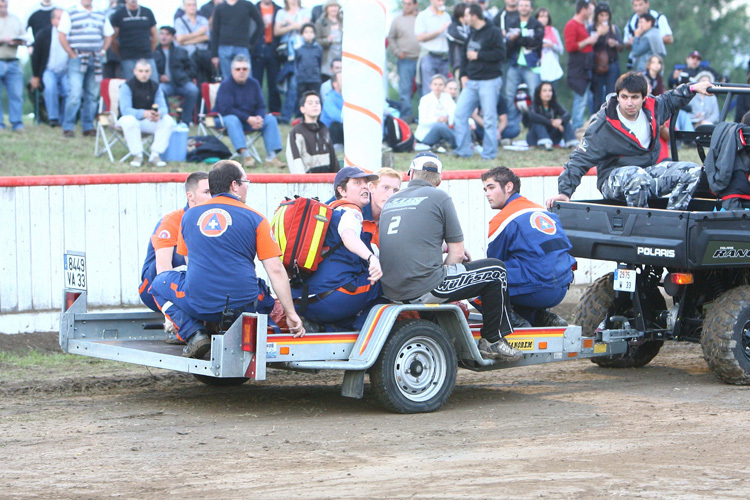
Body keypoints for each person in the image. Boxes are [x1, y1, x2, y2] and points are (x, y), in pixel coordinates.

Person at [150, 160, 305, 359]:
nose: (247, 186)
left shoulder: (188, 217)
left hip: (200, 304)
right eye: (245, 181)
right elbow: (274, 269)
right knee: (263, 293)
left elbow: (190, 263)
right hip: (245, 305)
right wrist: (291, 314)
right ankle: (256, 326)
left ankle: (194, 333)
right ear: (234, 185)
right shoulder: (256, 218)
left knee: (158, 283)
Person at [379, 152, 521, 361]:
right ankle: (493, 340)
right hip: (422, 286)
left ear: (410, 173)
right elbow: (457, 252)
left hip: (390, 288)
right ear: (439, 180)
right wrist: (448, 269)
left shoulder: (391, 200)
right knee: (496, 270)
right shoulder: (439, 196)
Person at [545, 72, 714, 211]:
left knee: (692, 170)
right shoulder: (603, 124)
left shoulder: (653, 108)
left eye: (634, 97)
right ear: (618, 96)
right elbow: (579, 160)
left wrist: (694, 88)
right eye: (624, 97)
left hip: (647, 173)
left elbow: (672, 99)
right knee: (636, 176)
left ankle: (673, 219)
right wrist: (564, 192)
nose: (629, 103)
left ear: (644, 97)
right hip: (613, 180)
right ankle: (641, 224)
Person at [294, 166, 384, 331]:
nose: (365, 187)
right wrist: (372, 259)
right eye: (357, 183)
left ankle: (330, 328)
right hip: (331, 299)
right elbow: (348, 235)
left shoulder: (327, 214)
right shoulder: (351, 211)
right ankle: (359, 331)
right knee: (387, 283)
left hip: (303, 301)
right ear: (342, 191)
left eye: (366, 183)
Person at [482, 166, 574, 327]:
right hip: (561, 287)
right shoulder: (544, 211)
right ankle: (540, 317)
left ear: (509, 187)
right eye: (485, 189)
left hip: (537, 289)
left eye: (491, 188)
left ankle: (515, 323)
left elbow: (494, 264)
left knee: (478, 279)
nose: (487, 194)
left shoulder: (502, 219)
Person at [139, 171, 212, 315]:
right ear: (190, 196)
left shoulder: (214, 220)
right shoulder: (172, 221)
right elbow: (162, 268)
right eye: (207, 192)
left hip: (191, 287)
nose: (212, 196)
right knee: (181, 254)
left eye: (214, 192)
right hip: (153, 287)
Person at [451, 3, 505, 160]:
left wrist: (479, 55)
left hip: (489, 81)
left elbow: (501, 54)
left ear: (474, 16)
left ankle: (489, 154)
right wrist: (463, 75)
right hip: (472, 82)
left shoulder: (493, 31)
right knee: (460, 114)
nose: (464, 18)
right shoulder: (472, 32)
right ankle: (463, 151)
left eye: (467, 15)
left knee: (489, 119)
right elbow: (464, 54)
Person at [214, 55, 286, 169]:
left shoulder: (254, 84)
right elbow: (226, 109)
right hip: (224, 120)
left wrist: (259, 118)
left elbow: (261, 105)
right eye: (238, 69)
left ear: (249, 70)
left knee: (270, 119)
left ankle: (271, 157)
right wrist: (248, 118)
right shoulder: (226, 85)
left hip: (249, 120)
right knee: (233, 119)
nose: (241, 72)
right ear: (232, 70)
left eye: (244, 69)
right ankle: (246, 156)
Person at [58, 0, 113, 138]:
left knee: (92, 95)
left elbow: (109, 34)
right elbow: (62, 35)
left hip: (95, 58)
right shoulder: (70, 12)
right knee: (75, 94)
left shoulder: (100, 13)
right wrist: (71, 54)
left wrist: (103, 51)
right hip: (77, 58)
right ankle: (68, 126)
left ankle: (88, 126)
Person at [118, 59, 175, 168]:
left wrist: (159, 114)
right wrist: (142, 113)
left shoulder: (155, 86)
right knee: (129, 120)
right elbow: (125, 110)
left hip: (148, 121)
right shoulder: (127, 86)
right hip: (128, 121)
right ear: (135, 71)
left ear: (151, 72)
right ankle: (137, 155)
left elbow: (163, 107)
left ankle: (155, 154)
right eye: (141, 71)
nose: (143, 74)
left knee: (168, 120)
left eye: (146, 71)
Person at [501, 0, 543, 137]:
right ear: (518, 8)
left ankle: (536, 129)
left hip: (531, 65)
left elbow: (535, 43)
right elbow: (507, 46)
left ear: (531, 8)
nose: (523, 8)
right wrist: (516, 40)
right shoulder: (512, 24)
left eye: (526, 5)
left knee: (535, 97)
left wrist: (517, 38)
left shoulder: (536, 25)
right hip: (515, 64)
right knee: (509, 95)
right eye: (521, 5)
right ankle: (512, 129)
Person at [564, 0, 605, 132]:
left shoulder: (583, 25)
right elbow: (570, 46)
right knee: (580, 99)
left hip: (586, 66)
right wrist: (589, 40)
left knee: (585, 98)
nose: (591, 13)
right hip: (578, 67)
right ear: (583, 9)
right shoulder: (572, 25)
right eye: (589, 10)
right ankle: (576, 128)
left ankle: (580, 127)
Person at [30, 8, 68, 128]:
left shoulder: (71, 34)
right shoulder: (43, 34)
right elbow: (36, 56)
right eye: (58, 18)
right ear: (52, 20)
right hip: (48, 70)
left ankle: (65, 119)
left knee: (69, 91)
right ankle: (53, 118)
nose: (61, 21)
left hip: (66, 71)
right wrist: (36, 75)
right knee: (50, 88)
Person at [275, 0, 310, 124]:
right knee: (291, 85)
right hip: (287, 54)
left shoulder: (305, 11)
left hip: (303, 53)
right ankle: (287, 116)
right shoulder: (281, 12)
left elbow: (305, 28)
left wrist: (288, 23)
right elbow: (276, 31)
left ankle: (295, 116)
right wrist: (296, 25)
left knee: (297, 85)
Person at [154, 26, 198, 125]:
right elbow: (150, 71)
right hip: (165, 84)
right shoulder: (154, 52)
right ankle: (167, 119)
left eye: (167, 34)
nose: (163, 37)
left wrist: (183, 76)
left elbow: (193, 68)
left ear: (173, 37)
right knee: (160, 90)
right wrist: (159, 76)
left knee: (193, 90)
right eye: (161, 34)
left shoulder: (181, 51)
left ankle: (186, 120)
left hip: (181, 83)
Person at [286, 90, 337, 174]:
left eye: (317, 103)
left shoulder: (324, 129)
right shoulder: (296, 132)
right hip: (307, 183)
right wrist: (301, 182)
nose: (314, 105)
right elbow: (295, 161)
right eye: (310, 103)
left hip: (327, 181)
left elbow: (333, 159)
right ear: (302, 109)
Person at [210, 0, 262, 81]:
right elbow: (215, 32)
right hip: (224, 49)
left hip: (242, 48)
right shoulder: (219, 8)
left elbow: (260, 24)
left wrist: (251, 43)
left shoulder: (247, 5)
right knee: (227, 82)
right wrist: (214, 55)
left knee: (246, 81)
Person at [387, 0, 419, 122]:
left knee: (424, 88)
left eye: (409, 4)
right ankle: (407, 116)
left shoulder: (421, 18)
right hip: (405, 59)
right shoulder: (397, 20)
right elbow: (391, 37)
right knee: (405, 89)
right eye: (404, 4)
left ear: (415, 4)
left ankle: (424, 116)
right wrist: (396, 51)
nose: (406, 6)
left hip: (422, 58)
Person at [110, 0, 158, 81]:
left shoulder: (147, 12)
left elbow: (155, 36)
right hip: (128, 57)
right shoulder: (118, 14)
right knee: (131, 85)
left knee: (153, 84)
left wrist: (150, 50)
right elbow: (113, 39)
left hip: (146, 55)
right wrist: (121, 54)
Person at [415, 0, 451, 96]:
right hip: (429, 56)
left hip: (444, 57)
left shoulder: (446, 16)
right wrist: (439, 31)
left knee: (443, 89)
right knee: (429, 89)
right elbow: (420, 37)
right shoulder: (423, 15)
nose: (441, 2)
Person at [526, 81, 577, 150]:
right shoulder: (534, 105)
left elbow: (567, 114)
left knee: (565, 121)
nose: (548, 93)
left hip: (552, 137)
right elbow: (533, 116)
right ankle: (544, 143)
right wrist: (551, 122)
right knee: (538, 121)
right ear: (539, 93)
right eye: (544, 91)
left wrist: (560, 121)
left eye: (550, 91)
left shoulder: (555, 104)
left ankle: (572, 144)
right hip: (536, 138)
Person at [590, 2, 622, 111]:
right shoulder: (591, 28)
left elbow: (621, 46)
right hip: (597, 66)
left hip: (612, 63)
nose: (604, 18)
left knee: (612, 94)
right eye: (601, 15)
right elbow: (588, 45)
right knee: (597, 95)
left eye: (606, 15)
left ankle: (612, 117)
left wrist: (615, 44)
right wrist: (598, 34)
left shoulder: (613, 28)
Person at [623, 0, 672, 70]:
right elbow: (626, 44)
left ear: (647, 4)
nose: (638, 8)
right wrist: (632, 42)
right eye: (635, 5)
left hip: (652, 64)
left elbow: (669, 38)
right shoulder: (631, 21)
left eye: (640, 5)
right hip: (637, 64)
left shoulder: (658, 18)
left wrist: (652, 41)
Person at [0, 0, 26, 132]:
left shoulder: (15, 19)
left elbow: (25, 37)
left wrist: (16, 41)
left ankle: (17, 123)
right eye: (0, 6)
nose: (3, 9)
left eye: (5, 6)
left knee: (16, 94)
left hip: (13, 61)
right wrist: (2, 40)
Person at [251, 0, 282, 114]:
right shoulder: (253, 8)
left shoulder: (279, 9)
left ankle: (275, 111)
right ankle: (256, 110)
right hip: (256, 50)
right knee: (256, 82)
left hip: (273, 49)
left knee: (274, 82)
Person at [174, 0, 211, 89]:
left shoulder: (203, 20)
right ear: (184, 7)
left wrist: (186, 40)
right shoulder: (179, 21)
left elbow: (206, 37)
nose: (192, 7)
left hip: (202, 56)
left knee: (205, 81)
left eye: (194, 5)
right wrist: (198, 33)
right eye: (189, 5)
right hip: (188, 57)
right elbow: (179, 39)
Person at [414, 74, 456, 150]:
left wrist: (448, 120)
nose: (438, 87)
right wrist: (437, 119)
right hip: (426, 134)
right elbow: (422, 121)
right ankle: (457, 144)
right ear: (431, 86)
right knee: (439, 126)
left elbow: (454, 114)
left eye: (440, 84)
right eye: (435, 84)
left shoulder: (447, 97)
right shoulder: (425, 99)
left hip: (444, 130)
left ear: (444, 86)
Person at [534, 7, 563, 87]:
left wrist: (552, 45)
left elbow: (561, 50)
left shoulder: (553, 31)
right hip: (538, 68)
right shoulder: (533, 31)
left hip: (551, 68)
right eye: (541, 16)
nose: (544, 19)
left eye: (546, 16)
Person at [314, 0, 342, 82]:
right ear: (327, 9)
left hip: (341, 52)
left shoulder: (343, 21)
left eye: (335, 6)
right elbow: (316, 40)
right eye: (331, 6)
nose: (334, 9)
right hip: (327, 55)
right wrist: (327, 40)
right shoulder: (320, 22)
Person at [295, 23, 322, 99]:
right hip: (302, 80)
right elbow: (296, 63)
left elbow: (320, 62)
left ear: (314, 34)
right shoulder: (299, 49)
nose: (309, 34)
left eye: (311, 32)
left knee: (315, 98)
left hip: (315, 79)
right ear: (302, 34)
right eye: (306, 32)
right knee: (302, 99)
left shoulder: (318, 48)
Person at [445, 2, 469, 84]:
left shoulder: (468, 26)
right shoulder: (453, 26)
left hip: (471, 64)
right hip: (459, 63)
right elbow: (456, 36)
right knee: (459, 89)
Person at [320, 70, 343, 149]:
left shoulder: (348, 97)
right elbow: (335, 116)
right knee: (335, 125)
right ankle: (336, 145)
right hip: (328, 132)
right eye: (342, 79)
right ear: (335, 84)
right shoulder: (329, 98)